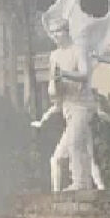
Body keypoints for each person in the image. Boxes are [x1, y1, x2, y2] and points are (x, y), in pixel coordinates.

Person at [42, 17, 98, 192]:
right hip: (67, 105)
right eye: (53, 32)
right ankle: (84, 182)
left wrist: (64, 73)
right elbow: (53, 85)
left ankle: (79, 182)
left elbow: (84, 74)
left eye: (59, 31)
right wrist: (55, 86)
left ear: (66, 31)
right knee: (73, 146)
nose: (56, 36)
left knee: (74, 142)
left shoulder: (78, 50)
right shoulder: (54, 56)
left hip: (82, 104)